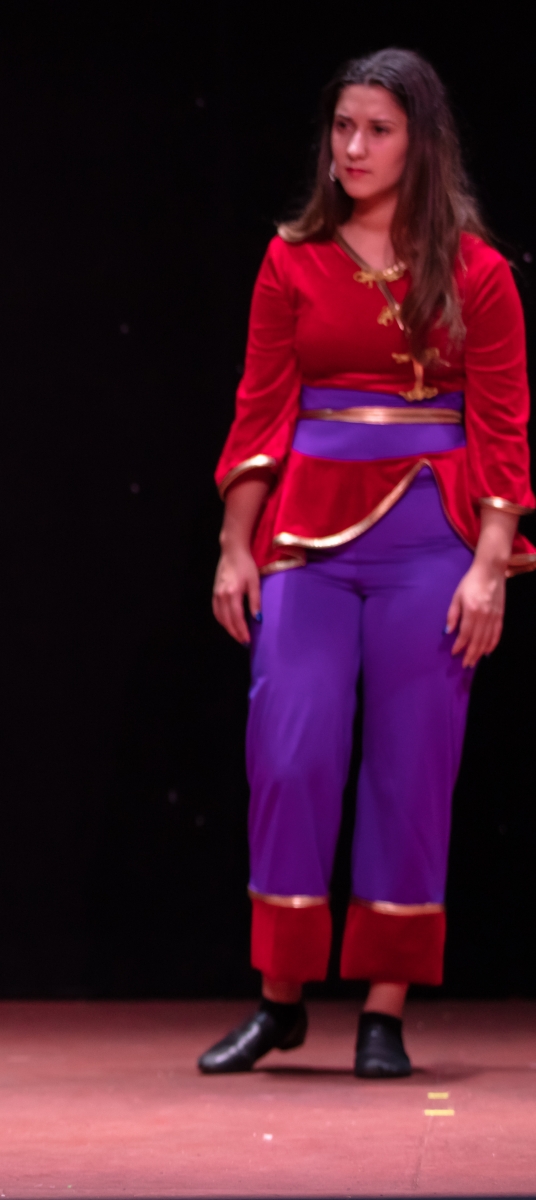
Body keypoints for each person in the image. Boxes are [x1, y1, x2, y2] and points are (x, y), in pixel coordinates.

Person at [201, 48, 531, 1079]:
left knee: (412, 765)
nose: (353, 147)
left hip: (431, 541)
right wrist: (235, 548)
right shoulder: (292, 259)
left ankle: (384, 1010)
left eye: (377, 129)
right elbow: (261, 410)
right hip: (308, 538)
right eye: (343, 127)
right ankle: (282, 998)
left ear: (420, 142)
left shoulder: (478, 272)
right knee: (290, 753)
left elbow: (504, 428)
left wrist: (489, 566)